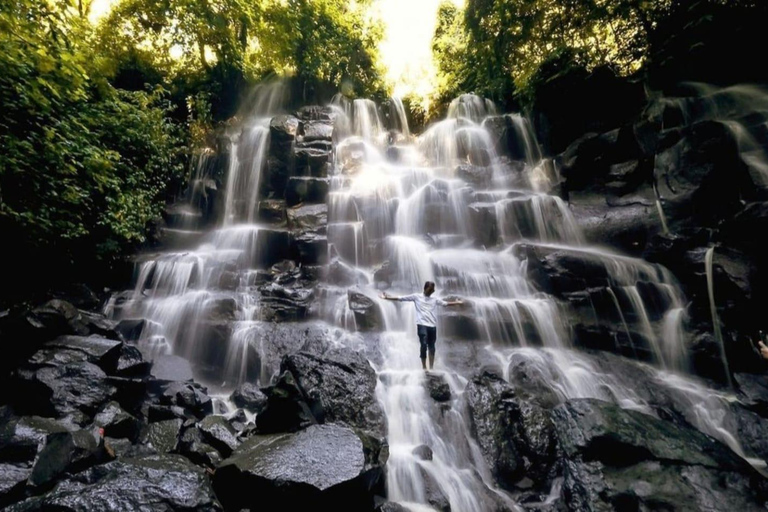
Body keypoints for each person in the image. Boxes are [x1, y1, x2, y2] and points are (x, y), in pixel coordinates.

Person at [380, 281, 463, 370]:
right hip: (422, 325)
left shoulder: (434, 299)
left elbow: (445, 304)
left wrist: (456, 302)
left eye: (433, 290)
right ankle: (424, 366)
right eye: (430, 289)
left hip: (432, 326)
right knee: (423, 345)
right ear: (425, 288)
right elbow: (401, 298)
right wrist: (386, 297)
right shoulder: (416, 297)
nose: (432, 291)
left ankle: (431, 368)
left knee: (432, 347)